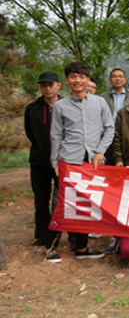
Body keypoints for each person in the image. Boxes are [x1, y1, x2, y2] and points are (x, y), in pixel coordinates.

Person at [49, 62, 114, 261]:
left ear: (88, 79)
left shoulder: (99, 102)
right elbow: (56, 135)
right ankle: (51, 247)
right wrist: (55, 162)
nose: (78, 80)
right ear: (66, 80)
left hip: (91, 162)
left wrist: (100, 151)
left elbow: (109, 128)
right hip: (69, 161)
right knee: (60, 203)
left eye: (82, 76)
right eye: (73, 76)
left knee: (85, 203)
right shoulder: (60, 106)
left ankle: (81, 248)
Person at [24, 72, 62, 249]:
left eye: (51, 84)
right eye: (44, 85)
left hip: (62, 163)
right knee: (41, 201)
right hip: (39, 163)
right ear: (40, 86)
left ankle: (64, 236)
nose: (47, 88)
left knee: (62, 201)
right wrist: (41, 149)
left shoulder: (66, 106)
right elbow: (30, 133)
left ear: (58, 85)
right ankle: (42, 235)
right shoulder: (32, 109)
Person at [101, 68, 129, 165]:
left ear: (125, 80)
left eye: (120, 76)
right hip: (108, 133)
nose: (117, 79)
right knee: (110, 162)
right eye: (114, 76)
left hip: (126, 133)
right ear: (110, 80)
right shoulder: (103, 97)